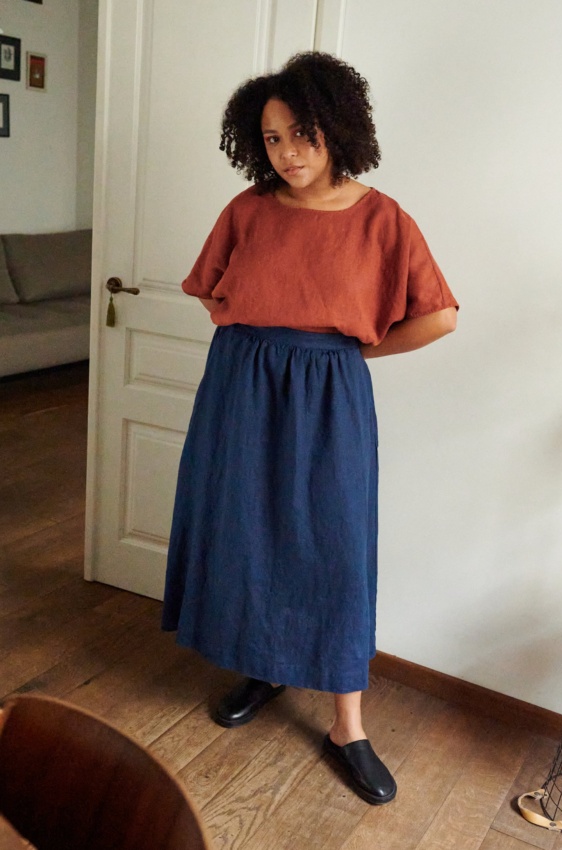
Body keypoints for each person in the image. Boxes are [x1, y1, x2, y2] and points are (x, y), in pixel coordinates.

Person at [162, 51, 458, 806]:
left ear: (338, 129)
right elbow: (211, 289)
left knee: (332, 546)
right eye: (271, 139)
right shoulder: (247, 211)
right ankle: (264, 665)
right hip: (238, 388)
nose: (288, 153)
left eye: (302, 134)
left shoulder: (383, 218)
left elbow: (440, 315)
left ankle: (347, 726)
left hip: (329, 398)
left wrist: (346, 350)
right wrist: (258, 346)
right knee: (247, 531)